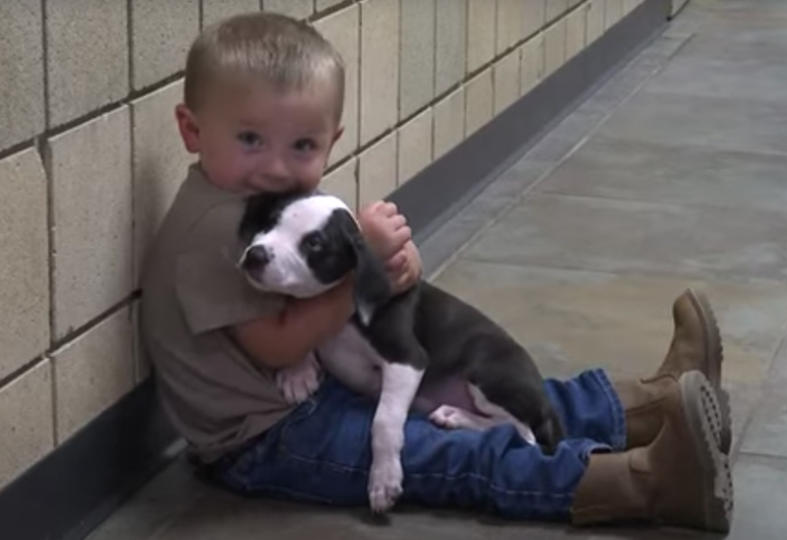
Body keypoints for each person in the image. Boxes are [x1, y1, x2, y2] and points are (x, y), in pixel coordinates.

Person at [138, 12, 733, 533]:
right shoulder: (211, 235)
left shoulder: (251, 201)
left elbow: (323, 293)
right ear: (192, 129)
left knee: (487, 385)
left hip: (315, 396)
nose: (275, 167)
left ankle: (658, 406)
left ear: (331, 141)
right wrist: (360, 275)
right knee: (448, 453)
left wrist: (392, 267)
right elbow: (277, 346)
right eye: (250, 139)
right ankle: (646, 481)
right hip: (266, 441)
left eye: (301, 146)